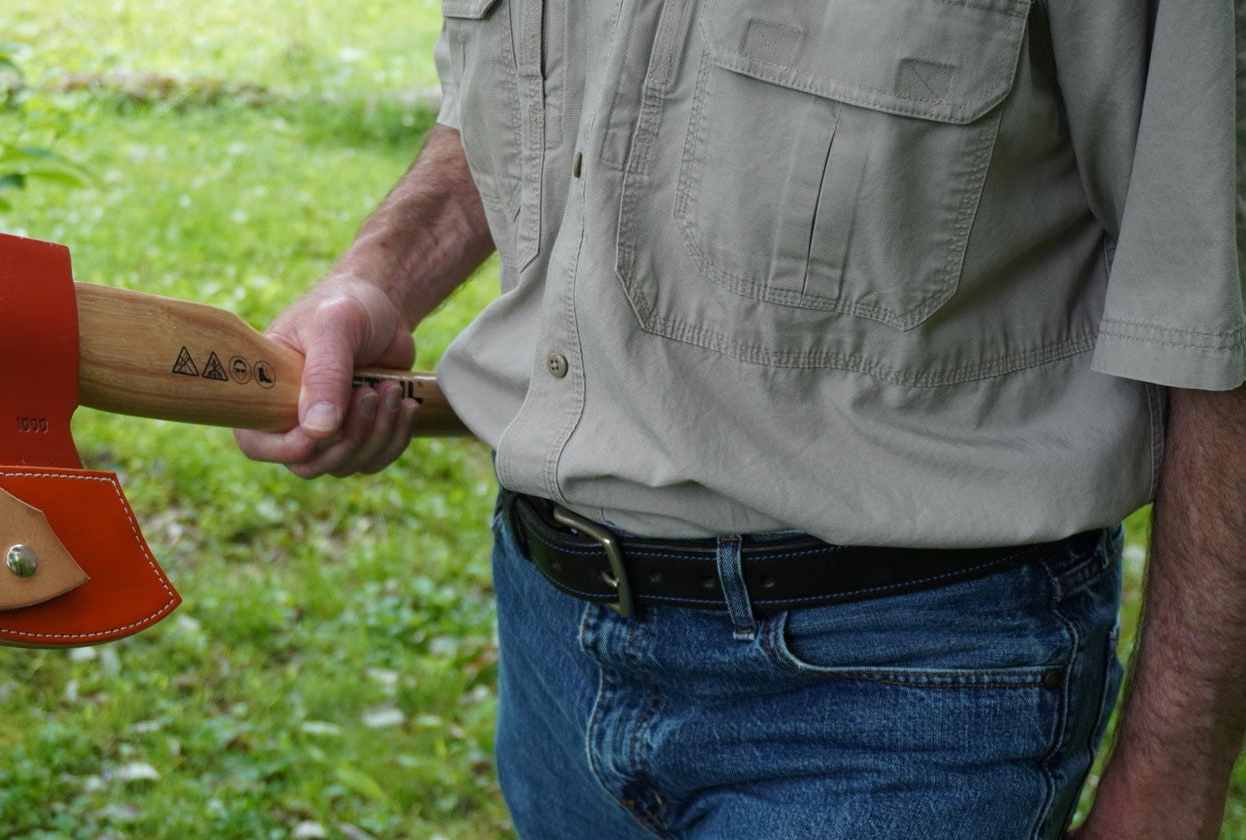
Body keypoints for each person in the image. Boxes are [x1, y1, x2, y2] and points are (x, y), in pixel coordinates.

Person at [237, 1, 1246, 837]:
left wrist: (1165, 788)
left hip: (901, 693)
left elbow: (1220, 311)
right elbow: (526, 95)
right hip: (551, 634)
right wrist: (376, 278)